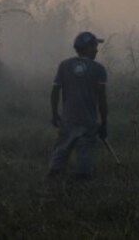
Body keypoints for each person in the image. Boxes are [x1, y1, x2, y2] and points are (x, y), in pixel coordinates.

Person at [46, 31, 108, 180]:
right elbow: (102, 99)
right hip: (88, 123)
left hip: (68, 121)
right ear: (86, 48)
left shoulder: (64, 65)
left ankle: (51, 185)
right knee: (85, 158)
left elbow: (55, 91)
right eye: (94, 46)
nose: (97, 49)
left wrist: (55, 114)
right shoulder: (98, 69)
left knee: (60, 154)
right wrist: (104, 123)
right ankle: (82, 190)